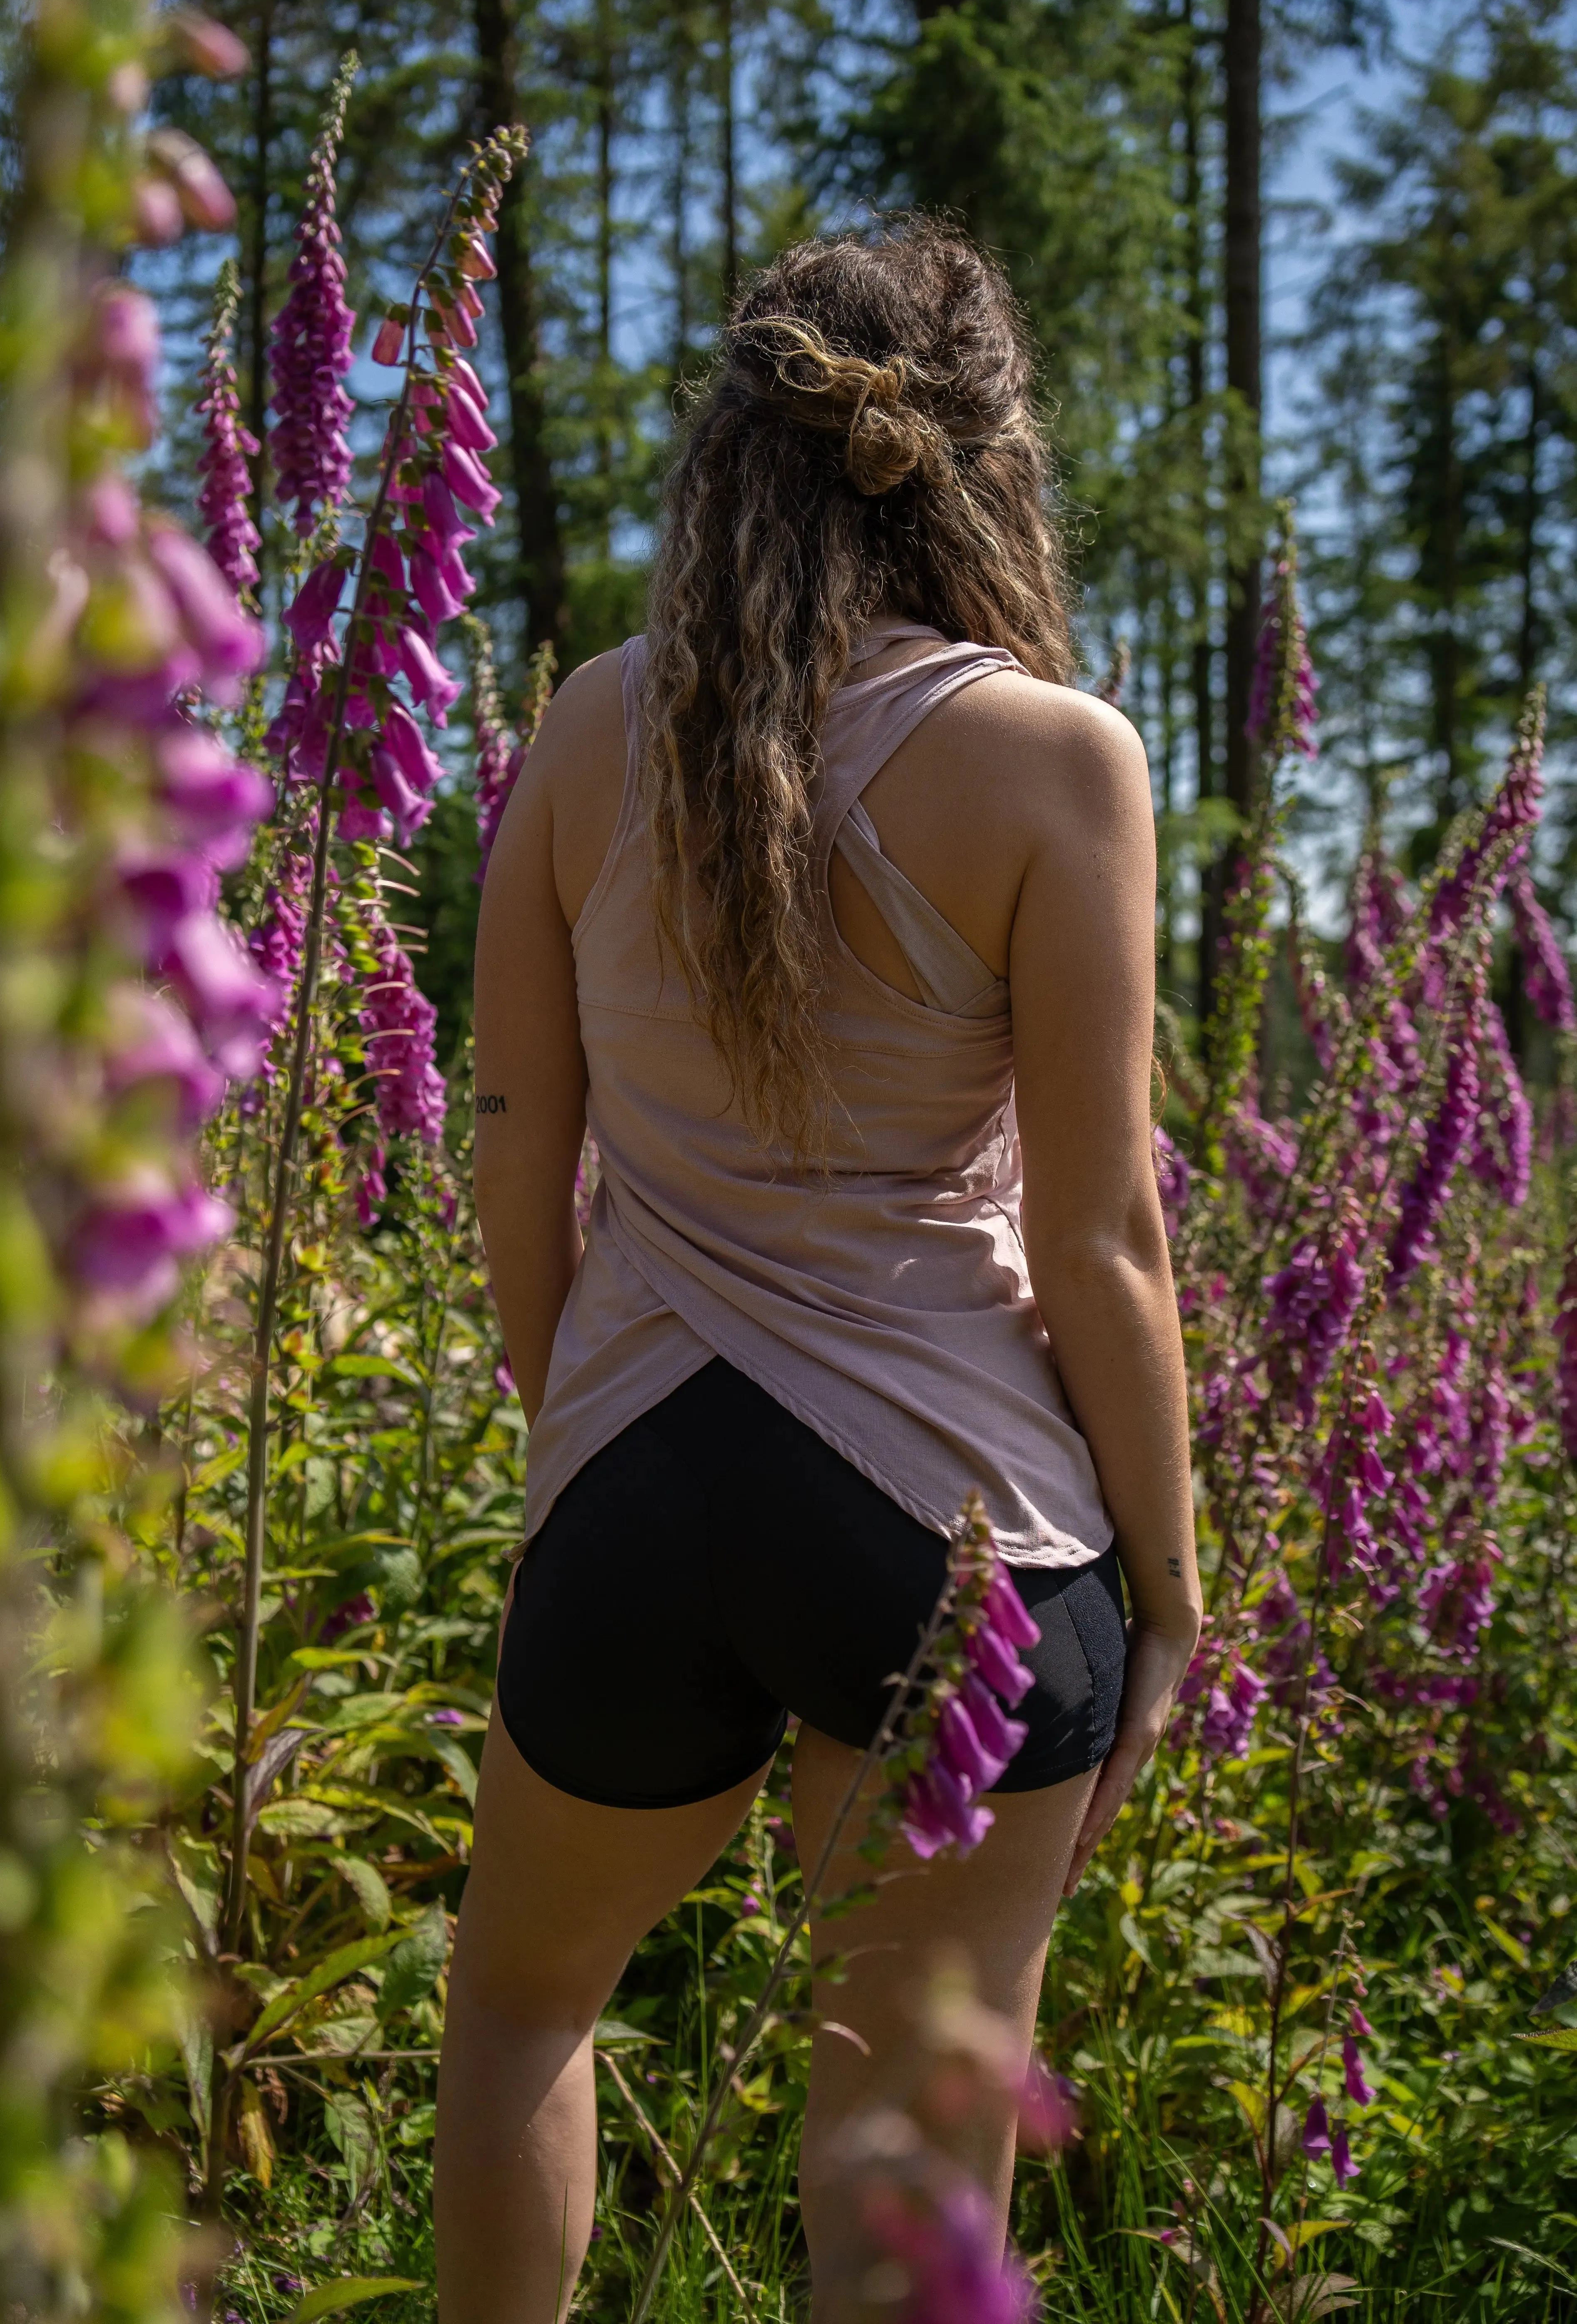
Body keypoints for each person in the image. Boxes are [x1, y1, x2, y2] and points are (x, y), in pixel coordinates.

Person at [438, 221, 1201, 2324]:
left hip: (633, 1471)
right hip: (948, 1520)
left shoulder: (590, 734)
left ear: (726, 449)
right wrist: (1170, 1578)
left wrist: (570, 1416)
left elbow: (515, 1146)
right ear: (983, 458)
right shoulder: (1055, 759)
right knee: (899, 2144)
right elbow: (1096, 1234)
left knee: (521, 2010)